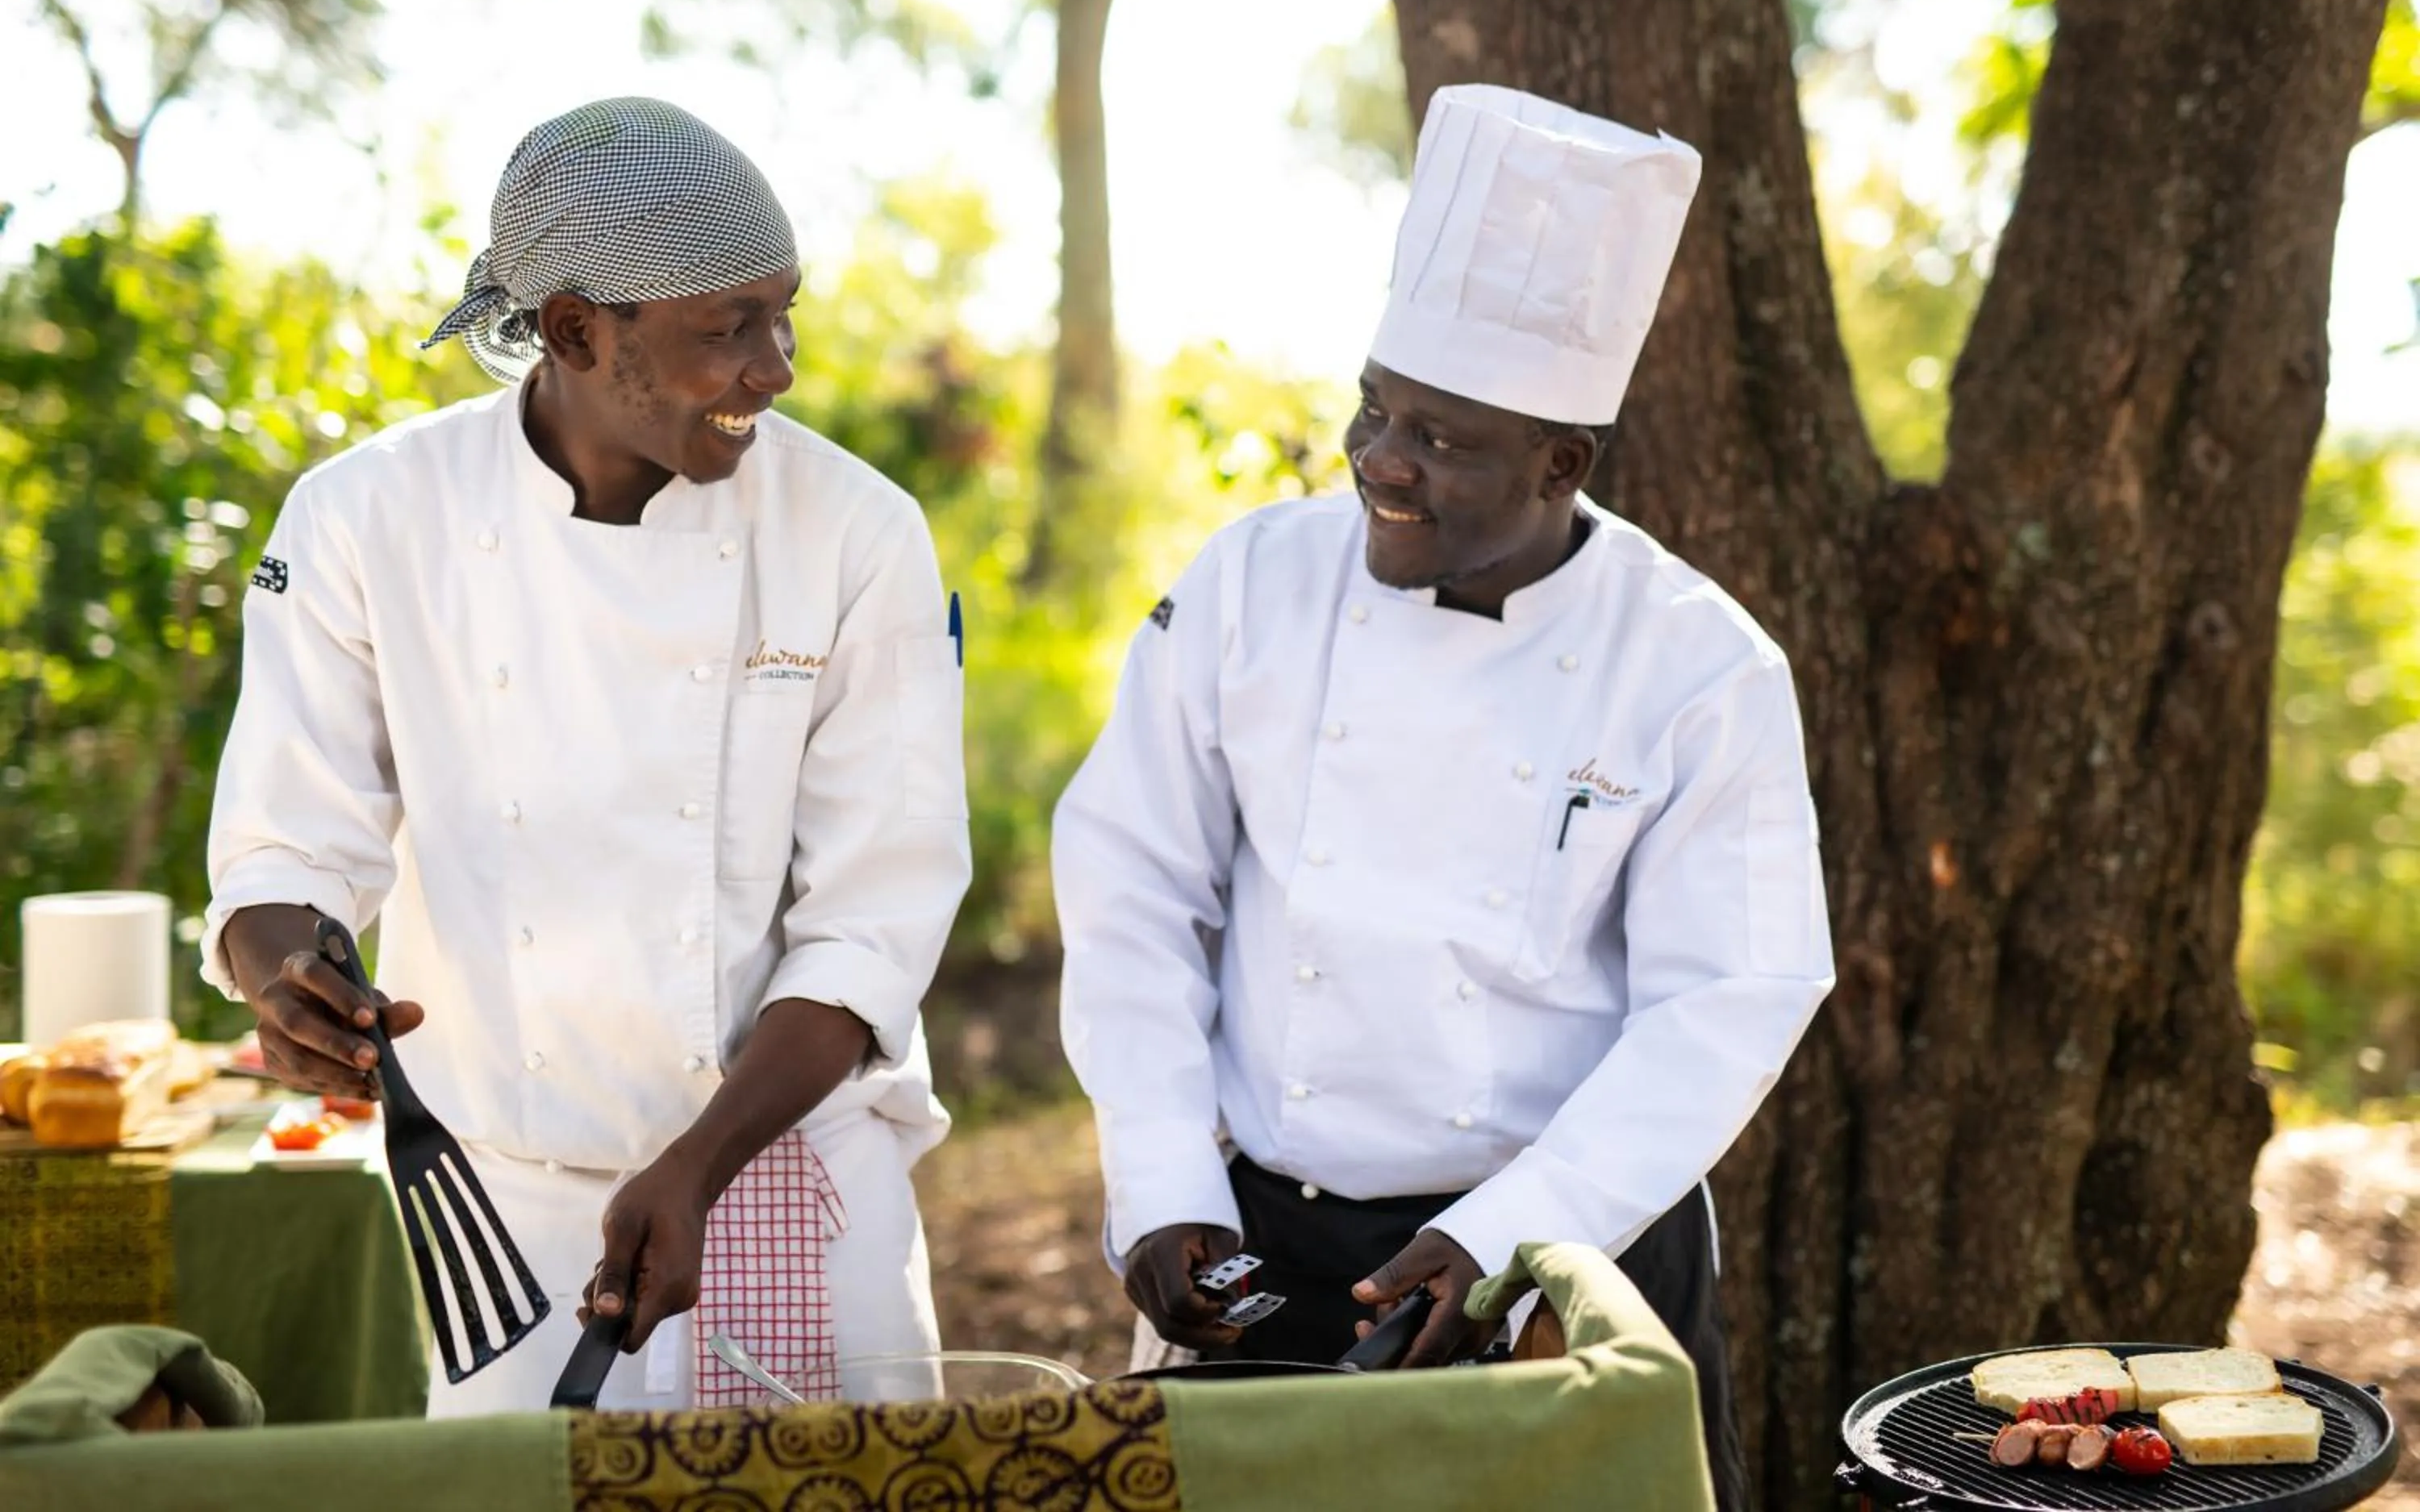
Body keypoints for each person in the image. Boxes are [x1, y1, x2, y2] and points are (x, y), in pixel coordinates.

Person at [1054, 84, 1835, 1508]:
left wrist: (1512, 1232)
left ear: (1563, 463)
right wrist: (1162, 1183)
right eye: (1374, 409)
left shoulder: (1698, 666)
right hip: (1263, 1253)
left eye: (1444, 439)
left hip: (1563, 1259)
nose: (1380, 464)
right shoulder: (1248, 587)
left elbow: (1732, 995)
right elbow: (1131, 886)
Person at [201, 97, 972, 1414]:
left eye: (785, 315)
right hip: (511, 1214)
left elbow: (874, 919)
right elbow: (285, 846)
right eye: (726, 330)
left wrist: (700, 1160)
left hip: (792, 1167)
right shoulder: (365, 520)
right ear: (572, 330)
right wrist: (292, 978)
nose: (775, 368)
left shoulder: (857, 533)